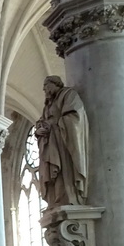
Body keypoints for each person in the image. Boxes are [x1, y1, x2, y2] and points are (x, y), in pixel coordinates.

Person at [35, 75, 89, 208]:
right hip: (52, 143)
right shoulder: (48, 104)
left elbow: (74, 116)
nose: (44, 89)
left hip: (63, 140)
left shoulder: (68, 95)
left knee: (65, 170)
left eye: (46, 86)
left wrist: (55, 126)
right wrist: (39, 130)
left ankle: (71, 197)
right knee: (55, 173)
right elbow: (41, 121)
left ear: (55, 84)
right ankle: (57, 200)